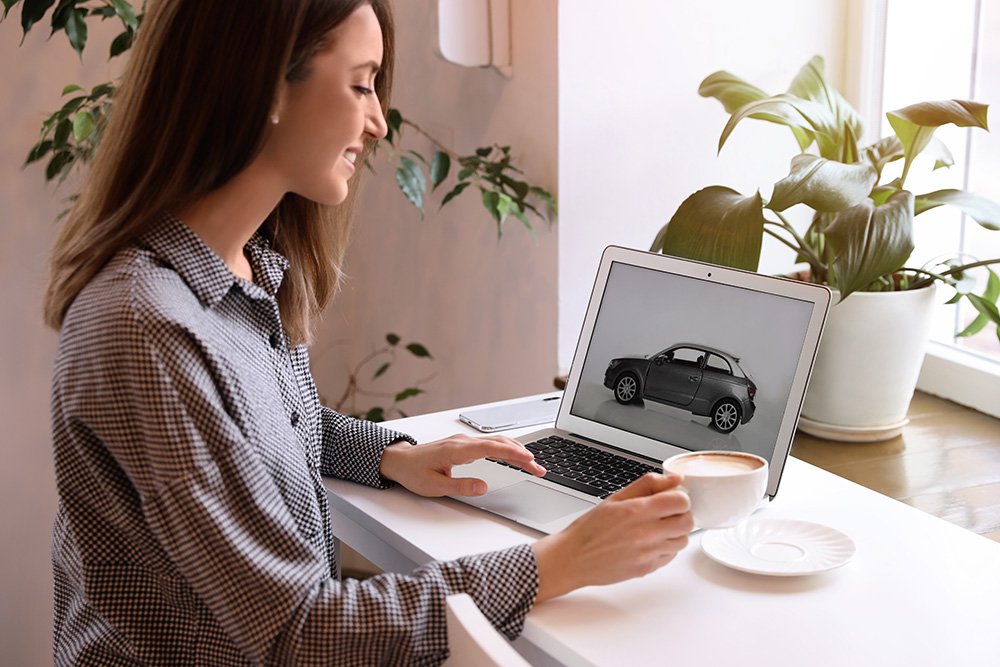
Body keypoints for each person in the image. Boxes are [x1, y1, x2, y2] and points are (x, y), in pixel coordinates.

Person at [43, 0, 694, 664]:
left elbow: (269, 432)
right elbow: (298, 631)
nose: (378, 122)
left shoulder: (242, 268)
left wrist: (393, 456)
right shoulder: (147, 329)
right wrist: (560, 560)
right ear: (267, 82)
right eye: (361, 84)